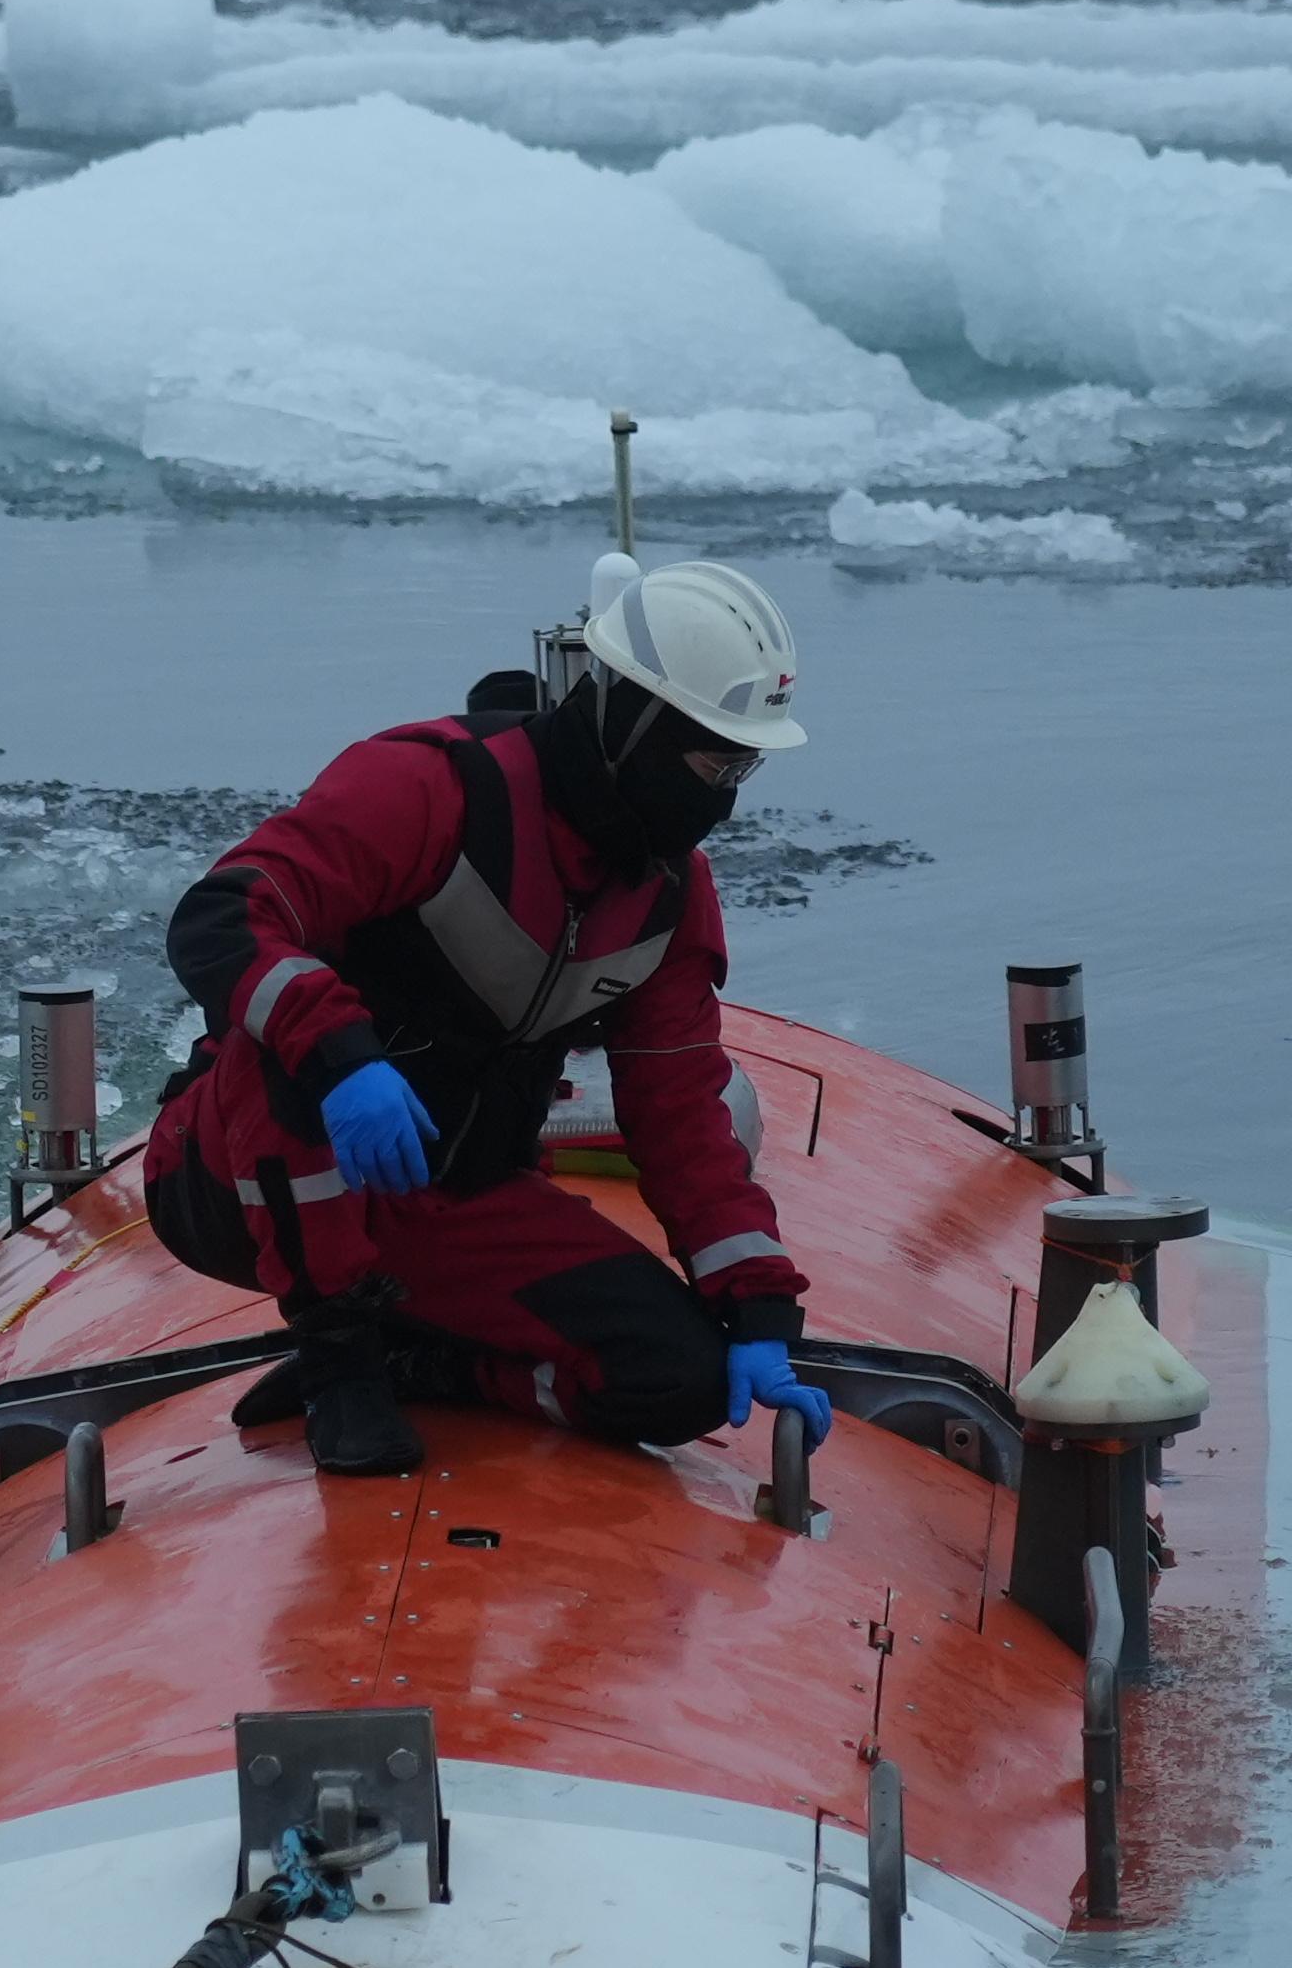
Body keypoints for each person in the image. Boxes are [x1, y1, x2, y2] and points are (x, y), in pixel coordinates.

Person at [148, 554, 844, 1477]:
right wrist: (346, 1059)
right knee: (289, 1038)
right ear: (633, 722)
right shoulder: (431, 787)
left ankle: (424, 1364)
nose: (724, 793)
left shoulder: (670, 900)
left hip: (448, 1199)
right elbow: (224, 914)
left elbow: (678, 1112)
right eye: (715, 760)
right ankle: (339, 1354)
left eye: (743, 766)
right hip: (240, 1183)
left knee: (676, 1382)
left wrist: (755, 1304)